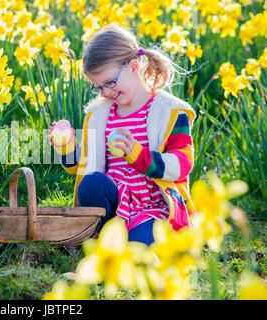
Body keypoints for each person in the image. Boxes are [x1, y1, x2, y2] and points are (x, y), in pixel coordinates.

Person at [46, 24, 196, 246]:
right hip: (117, 204)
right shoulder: (100, 115)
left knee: (139, 245)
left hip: (155, 208)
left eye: (110, 83)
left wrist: (136, 154)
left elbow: (182, 164)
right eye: (98, 88)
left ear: (134, 67)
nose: (106, 92)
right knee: (91, 184)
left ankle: (121, 245)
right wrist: (66, 145)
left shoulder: (170, 112)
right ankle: (103, 236)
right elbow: (84, 167)